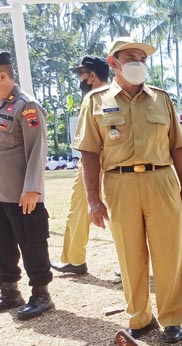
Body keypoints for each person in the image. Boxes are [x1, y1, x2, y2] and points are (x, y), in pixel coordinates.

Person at [72, 37, 182, 344]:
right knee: (130, 253)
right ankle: (140, 318)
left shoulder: (161, 99)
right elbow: (89, 152)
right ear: (113, 62)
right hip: (119, 183)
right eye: (131, 57)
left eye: (142, 57)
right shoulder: (96, 101)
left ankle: (172, 319)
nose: (139, 62)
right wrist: (93, 200)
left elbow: (178, 146)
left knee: (169, 252)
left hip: (161, 180)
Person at [0, 50, 55, 320]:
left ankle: (41, 295)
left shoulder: (26, 106)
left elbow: (37, 148)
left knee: (32, 243)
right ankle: (9, 291)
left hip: (24, 194)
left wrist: (32, 187)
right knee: (3, 245)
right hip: (1, 194)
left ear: (2, 76)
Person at [51, 56, 111, 276]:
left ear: (91, 75)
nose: (80, 79)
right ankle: (76, 259)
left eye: (81, 74)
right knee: (125, 212)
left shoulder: (93, 98)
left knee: (79, 209)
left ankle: (75, 259)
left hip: (96, 162)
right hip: (115, 162)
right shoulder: (118, 95)